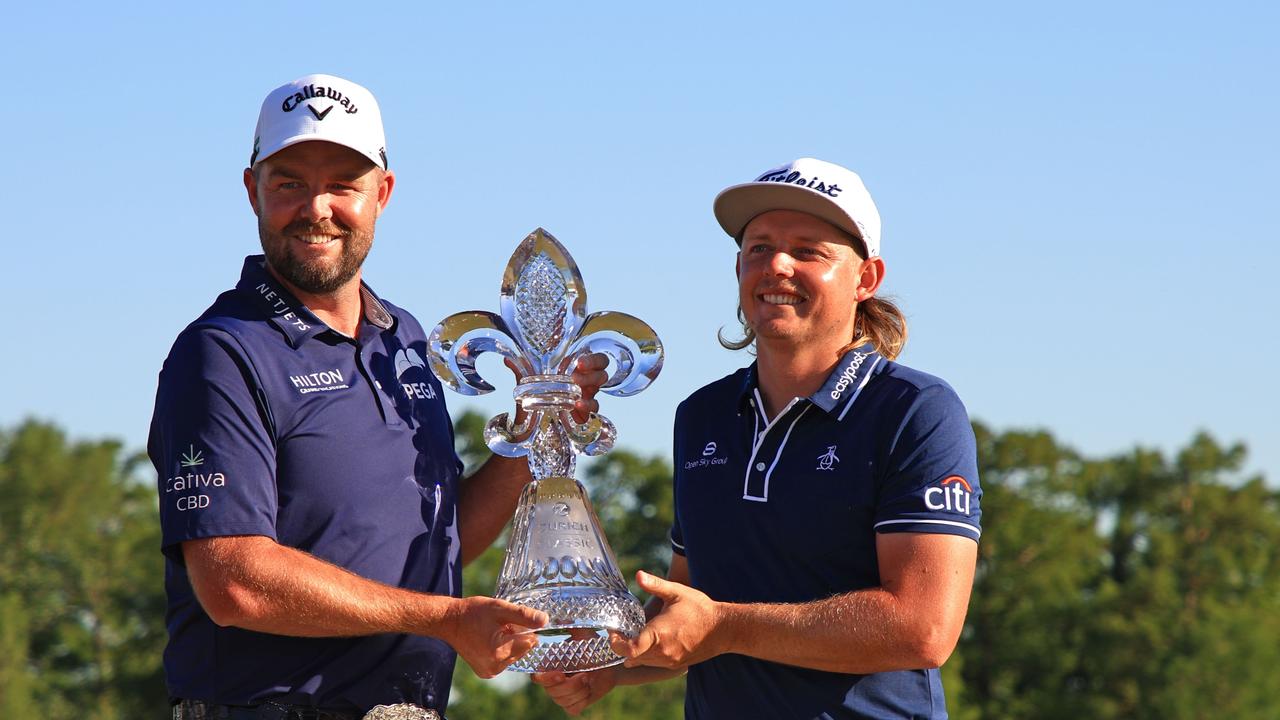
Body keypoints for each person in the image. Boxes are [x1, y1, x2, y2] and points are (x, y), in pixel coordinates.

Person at [148, 74, 608, 719]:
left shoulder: (406, 339)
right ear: (252, 190)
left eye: (343, 184)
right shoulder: (222, 353)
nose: (317, 207)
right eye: (289, 183)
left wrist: (535, 432)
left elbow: (442, 543)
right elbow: (235, 583)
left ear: (382, 194)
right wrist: (447, 619)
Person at [534, 157, 982, 719]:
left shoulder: (916, 411)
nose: (777, 266)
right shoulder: (701, 415)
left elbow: (922, 628)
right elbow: (687, 613)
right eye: (759, 248)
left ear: (866, 279)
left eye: (808, 251)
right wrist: (612, 662)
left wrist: (722, 627)